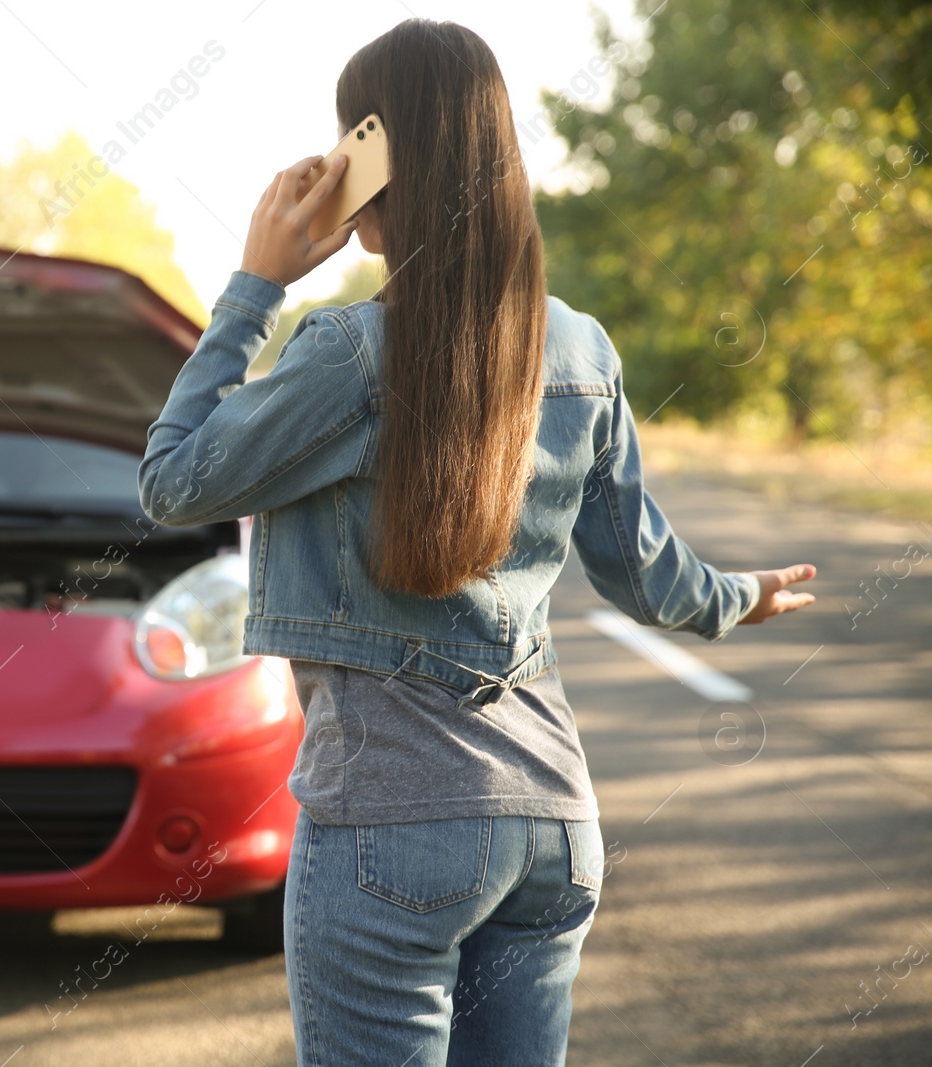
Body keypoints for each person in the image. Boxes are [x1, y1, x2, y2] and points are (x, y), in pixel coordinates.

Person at [137, 17, 817, 1067]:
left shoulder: (346, 352)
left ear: (374, 165)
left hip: (388, 829)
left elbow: (172, 479)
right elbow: (644, 571)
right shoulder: (583, 349)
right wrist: (740, 595)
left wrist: (254, 282)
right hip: (553, 825)